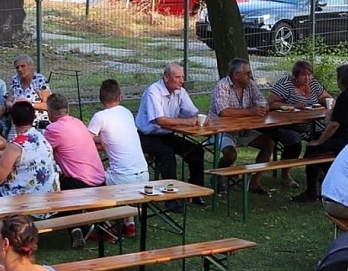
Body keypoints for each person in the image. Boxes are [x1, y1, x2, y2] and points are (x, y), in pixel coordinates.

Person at [299, 65, 348, 202]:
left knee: (312, 149)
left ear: (340, 79)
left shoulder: (346, 96)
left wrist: (319, 141)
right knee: (317, 139)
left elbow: (333, 125)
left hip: (346, 140)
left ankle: (311, 191)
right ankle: (328, 178)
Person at [210, 58, 274, 197]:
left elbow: (262, 101)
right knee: (231, 154)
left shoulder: (250, 85)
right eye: (247, 73)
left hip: (243, 130)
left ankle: (255, 183)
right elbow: (224, 112)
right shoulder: (222, 86)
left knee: (268, 144)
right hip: (222, 131)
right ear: (236, 75)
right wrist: (251, 111)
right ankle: (217, 176)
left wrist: (262, 107)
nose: (250, 76)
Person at [136, 63, 206, 187]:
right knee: (167, 155)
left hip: (167, 135)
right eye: (178, 77)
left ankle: (196, 190)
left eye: (183, 77)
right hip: (146, 136)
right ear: (166, 78)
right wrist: (187, 122)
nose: (181, 81)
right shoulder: (154, 91)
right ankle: (171, 199)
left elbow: (193, 112)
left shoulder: (181, 92)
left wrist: (203, 117)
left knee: (196, 151)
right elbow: (160, 120)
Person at [268, 61, 331, 189]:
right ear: (295, 75)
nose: (307, 78)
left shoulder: (313, 84)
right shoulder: (285, 84)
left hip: (310, 123)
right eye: (303, 75)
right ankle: (285, 175)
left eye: (309, 75)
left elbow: (326, 97)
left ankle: (319, 171)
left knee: (324, 137)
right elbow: (270, 103)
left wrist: (325, 102)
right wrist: (292, 106)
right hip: (287, 125)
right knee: (294, 144)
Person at [89, 78, 149, 186]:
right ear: (120, 97)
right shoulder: (127, 112)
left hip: (122, 179)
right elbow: (114, 137)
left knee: (86, 176)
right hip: (144, 175)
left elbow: (85, 140)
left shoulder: (100, 117)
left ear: (100, 98)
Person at [0, 101, 57, 198]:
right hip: (49, 198)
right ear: (33, 118)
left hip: (24, 201)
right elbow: (28, 154)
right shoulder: (41, 137)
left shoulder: (15, 146)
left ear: (12, 120)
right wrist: (4, 153)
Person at [42, 94, 105, 190]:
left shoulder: (53, 129)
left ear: (49, 113)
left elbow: (40, 152)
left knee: (44, 185)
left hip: (82, 184)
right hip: (100, 180)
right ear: (68, 109)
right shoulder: (78, 122)